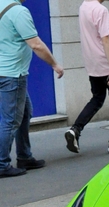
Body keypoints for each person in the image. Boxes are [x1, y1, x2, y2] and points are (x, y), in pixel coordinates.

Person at [0, 0, 63, 178]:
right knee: (10, 120)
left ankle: (24, 156)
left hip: (5, 72)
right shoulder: (19, 12)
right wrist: (55, 64)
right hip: (13, 75)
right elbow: (36, 44)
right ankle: (2, 163)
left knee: (25, 112)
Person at [65, 0, 109, 154]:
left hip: (92, 63)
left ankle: (75, 129)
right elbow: (105, 39)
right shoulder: (100, 10)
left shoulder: (83, 6)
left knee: (97, 98)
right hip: (105, 63)